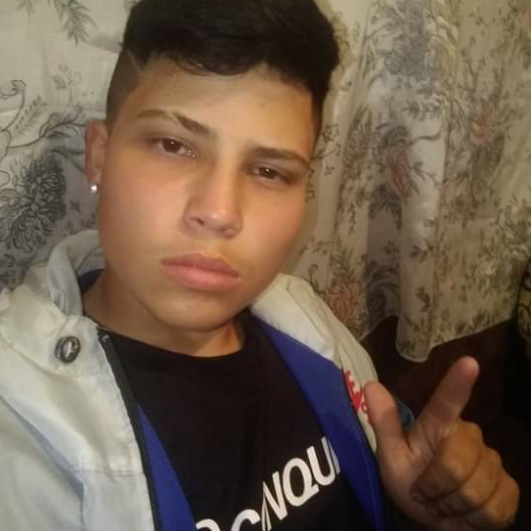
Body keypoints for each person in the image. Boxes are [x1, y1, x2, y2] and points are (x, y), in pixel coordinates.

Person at [0, 0, 519, 530]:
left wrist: (413, 508)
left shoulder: (305, 321)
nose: (220, 212)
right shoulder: (20, 427)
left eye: (269, 171)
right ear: (99, 155)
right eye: (173, 145)